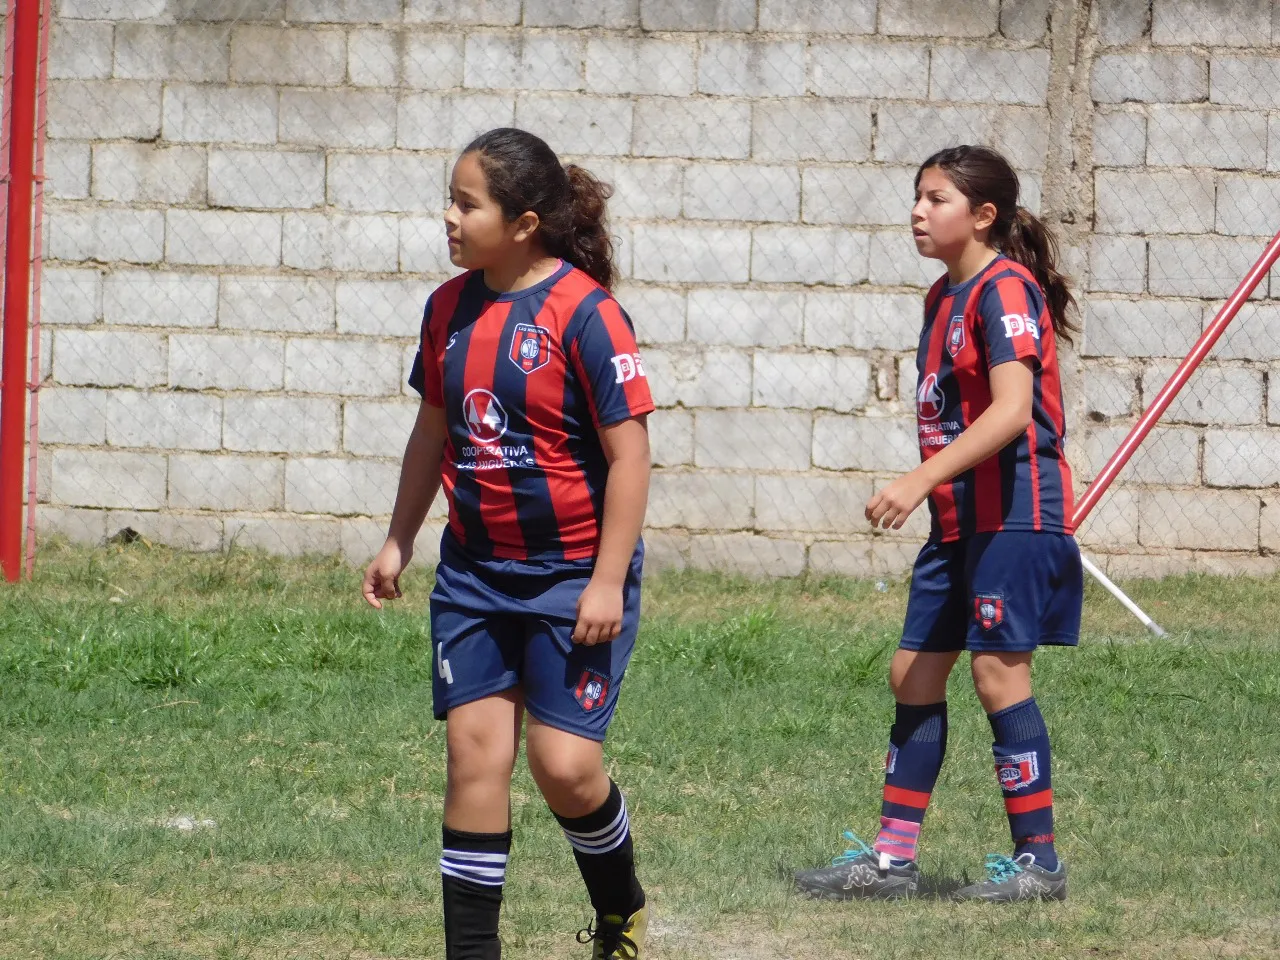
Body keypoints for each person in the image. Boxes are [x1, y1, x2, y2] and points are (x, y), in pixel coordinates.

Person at [361, 127, 653, 958]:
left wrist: (604, 583)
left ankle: (620, 907)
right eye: (449, 201)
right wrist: (398, 541)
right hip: (476, 576)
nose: (449, 218)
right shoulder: (446, 310)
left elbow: (630, 456)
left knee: (563, 768)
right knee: (474, 759)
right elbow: (431, 432)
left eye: (467, 203)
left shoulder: (587, 313)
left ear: (523, 222)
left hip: (572, 577)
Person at [793, 144, 1084, 903]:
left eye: (936, 199)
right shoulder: (940, 298)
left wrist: (920, 479)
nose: (918, 212)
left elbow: (1013, 411)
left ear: (983, 216)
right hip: (958, 522)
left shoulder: (1006, 289)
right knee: (914, 673)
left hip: (1016, 516)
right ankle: (892, 863)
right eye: (917, 197)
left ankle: (1039, 865)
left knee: (997, 674)